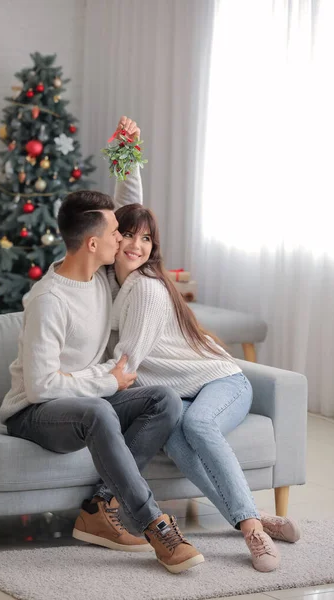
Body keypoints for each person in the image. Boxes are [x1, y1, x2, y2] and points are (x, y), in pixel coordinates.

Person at [0, 117, 204, 575]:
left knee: (164, 400)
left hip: (85, 399)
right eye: (116, 234)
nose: (125, 239)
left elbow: (129, 206)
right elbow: (39, 387)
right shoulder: (49, 300)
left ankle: (99, 509)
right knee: (99, 409)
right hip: (34, 414)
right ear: (94, 243)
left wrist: (129, 151)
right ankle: (155, 525)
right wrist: (105, 380)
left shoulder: (99, 278)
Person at [102, 197, 301, 573]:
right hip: (185, 392)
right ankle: (254, 515)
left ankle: (252, 531)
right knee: (176, 441)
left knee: (197, 425)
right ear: (112, 239)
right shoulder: (117, 287)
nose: (136, 245)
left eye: (146, 239)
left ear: (153, 248)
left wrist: (81, 388)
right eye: (127, 235)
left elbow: (128, 360)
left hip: (223, 381)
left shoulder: (145, 288)